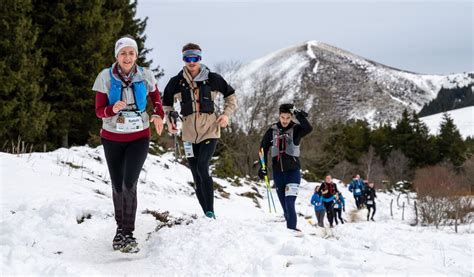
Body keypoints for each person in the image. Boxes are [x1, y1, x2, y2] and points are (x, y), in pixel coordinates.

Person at [93, 36, 164, 253]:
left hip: (139, 137)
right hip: (112, 137)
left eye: (131, 53)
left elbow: (156, 99)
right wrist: (111, 110)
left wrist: (158, 115)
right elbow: (98, 110)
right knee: (117, 185)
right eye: (123, 53)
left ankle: (128, 233)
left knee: (129, 183)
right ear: (117, 55)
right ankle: (119, 231)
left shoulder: (145, 75)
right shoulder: (105, 76)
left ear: (136, 56)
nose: (127, 57)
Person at [163, 43, 237, 219]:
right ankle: (206, 215)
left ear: (200, 58)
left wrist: (226, 115)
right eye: (187, 58)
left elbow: (231, 97)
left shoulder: (213, 78)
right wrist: (170, 121)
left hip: (210, 130)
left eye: (194, 58)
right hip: (188, 135)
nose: (191, 62)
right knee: (196, 174)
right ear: (183, 59)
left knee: (203, 166)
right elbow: (165, 104)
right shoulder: (176, 82)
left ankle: (210, 211)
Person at [259, 103, 313, 231]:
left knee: (290, 203)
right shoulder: (272, 131)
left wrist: (298, 114)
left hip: (293, 172)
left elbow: (309, 128)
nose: (285, 121)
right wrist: (263, 167)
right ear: (279, 116)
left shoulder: (296, 129)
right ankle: (291, 232)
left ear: (291, 117)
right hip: (278, 174)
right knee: (285, 208)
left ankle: (292, 232)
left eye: (288, 118)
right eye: (282, 117)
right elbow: (262, 148)